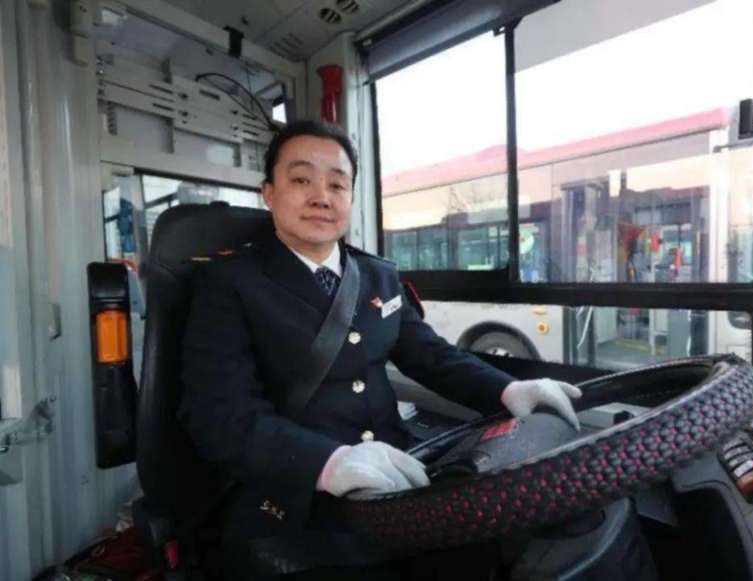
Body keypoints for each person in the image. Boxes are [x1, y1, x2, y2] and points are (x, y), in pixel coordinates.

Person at [179, 118, 583, 578]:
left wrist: (510, 391)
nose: (321, 196)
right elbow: (218, 414)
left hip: (397, 473)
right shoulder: (230, 284)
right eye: (300, 180)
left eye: (338, 183)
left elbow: (430, 355)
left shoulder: (376, 277)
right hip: (297, 496)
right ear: (269, 192)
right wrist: (330, 463)